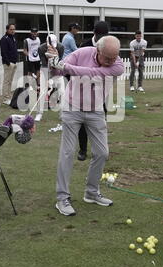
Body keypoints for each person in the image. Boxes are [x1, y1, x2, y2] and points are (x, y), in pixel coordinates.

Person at [48, 35, 124, 217]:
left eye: (114, 57)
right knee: (67, 153)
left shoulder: (117, 65)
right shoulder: (81, 53)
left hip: (96, 110)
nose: (111, 62)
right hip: (72, 108)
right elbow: (57, 73)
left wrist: (65, 66)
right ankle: (62, 198)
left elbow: (91, 74)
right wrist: (53, 62)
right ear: (97, 50)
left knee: (102, 152)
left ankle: (91, 192)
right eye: (108, 58)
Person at [77, 21, 109, 161]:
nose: (102, 38)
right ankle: (83, 150)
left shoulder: (109, 46)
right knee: (83, 123)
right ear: (94, 33)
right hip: (83, 90)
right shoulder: (84, 46)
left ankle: (100, 150)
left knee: (100, 122)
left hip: (100, 91)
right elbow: (74, 65)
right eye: (100, 35)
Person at [35, 34, 65, 122]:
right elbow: (44, 65)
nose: (53, 47)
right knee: (42, 93)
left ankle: (62, 114)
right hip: (45, 71)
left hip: (57, 72)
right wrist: (47, 79)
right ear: (47, 43)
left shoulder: (60, 47)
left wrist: (53, 59)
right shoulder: (41, 48)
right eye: (51, 46)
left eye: (54, 46)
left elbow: (59, 62)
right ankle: (39, 113)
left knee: (62, 92)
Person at [0, 24, 18, 105]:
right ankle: (5, 99)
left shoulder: (13, 38)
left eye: (14, 29)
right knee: (6, 81)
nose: (13, 31)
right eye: (11, 29)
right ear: (7, 30)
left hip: (14, 63)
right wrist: (8, 63)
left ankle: (8, 97)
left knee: (10, 81)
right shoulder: (4, 39)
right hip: (8, 63)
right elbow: (3, 52)